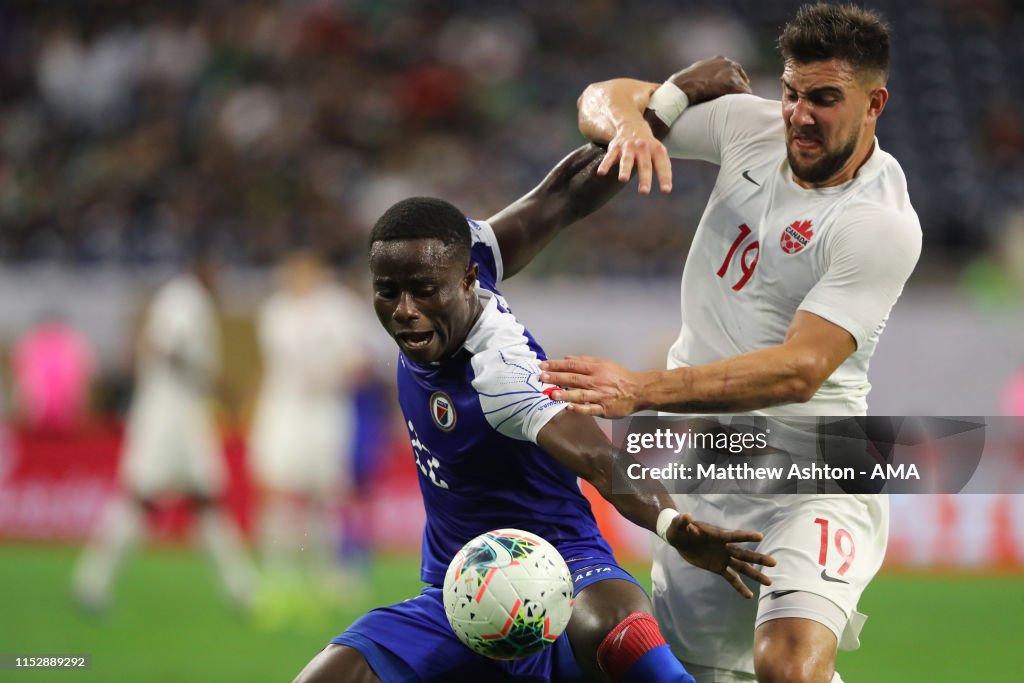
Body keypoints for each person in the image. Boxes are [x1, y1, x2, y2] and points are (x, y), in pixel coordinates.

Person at [294, 58, 775, 683]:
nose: (405, 311)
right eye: (387, 292)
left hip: (567, 570)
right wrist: (672, 98)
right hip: (453, 590)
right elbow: (566, 194)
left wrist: (673, 526)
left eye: (423, 291)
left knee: (615, 629)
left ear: (466, 279)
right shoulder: (458, 257)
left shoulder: (502, 371)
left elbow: (601, 461)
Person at [540, 4, 922, 683]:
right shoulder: (751, 128)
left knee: (788, 663)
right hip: (713, 460)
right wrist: (644, 118)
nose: (800, 115)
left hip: (816, 467)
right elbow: (599, 99)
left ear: (875, 103)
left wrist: (639, 388)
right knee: (709, 674)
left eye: (825, 99)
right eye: (792, 93)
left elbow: (800, 369)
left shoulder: (877, 224)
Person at [73, 257, 255, 612]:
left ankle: (241, 588)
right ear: (204, 269)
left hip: (181, 413)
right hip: (168, 414)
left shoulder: (182, 299)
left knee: (204, 500)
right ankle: (91, 582)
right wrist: (215, 383)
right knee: (144, 498)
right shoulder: (183, 299)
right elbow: (167, 348)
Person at [249, 249, 372, 618]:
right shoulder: (274, 312)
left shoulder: (340, 309)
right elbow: (275, 363)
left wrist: (332, 375)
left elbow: (361, 361)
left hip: (326, 414)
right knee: (279, 493)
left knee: (327, 495)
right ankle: (278, 577)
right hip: (284, 413)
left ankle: (332, 576)